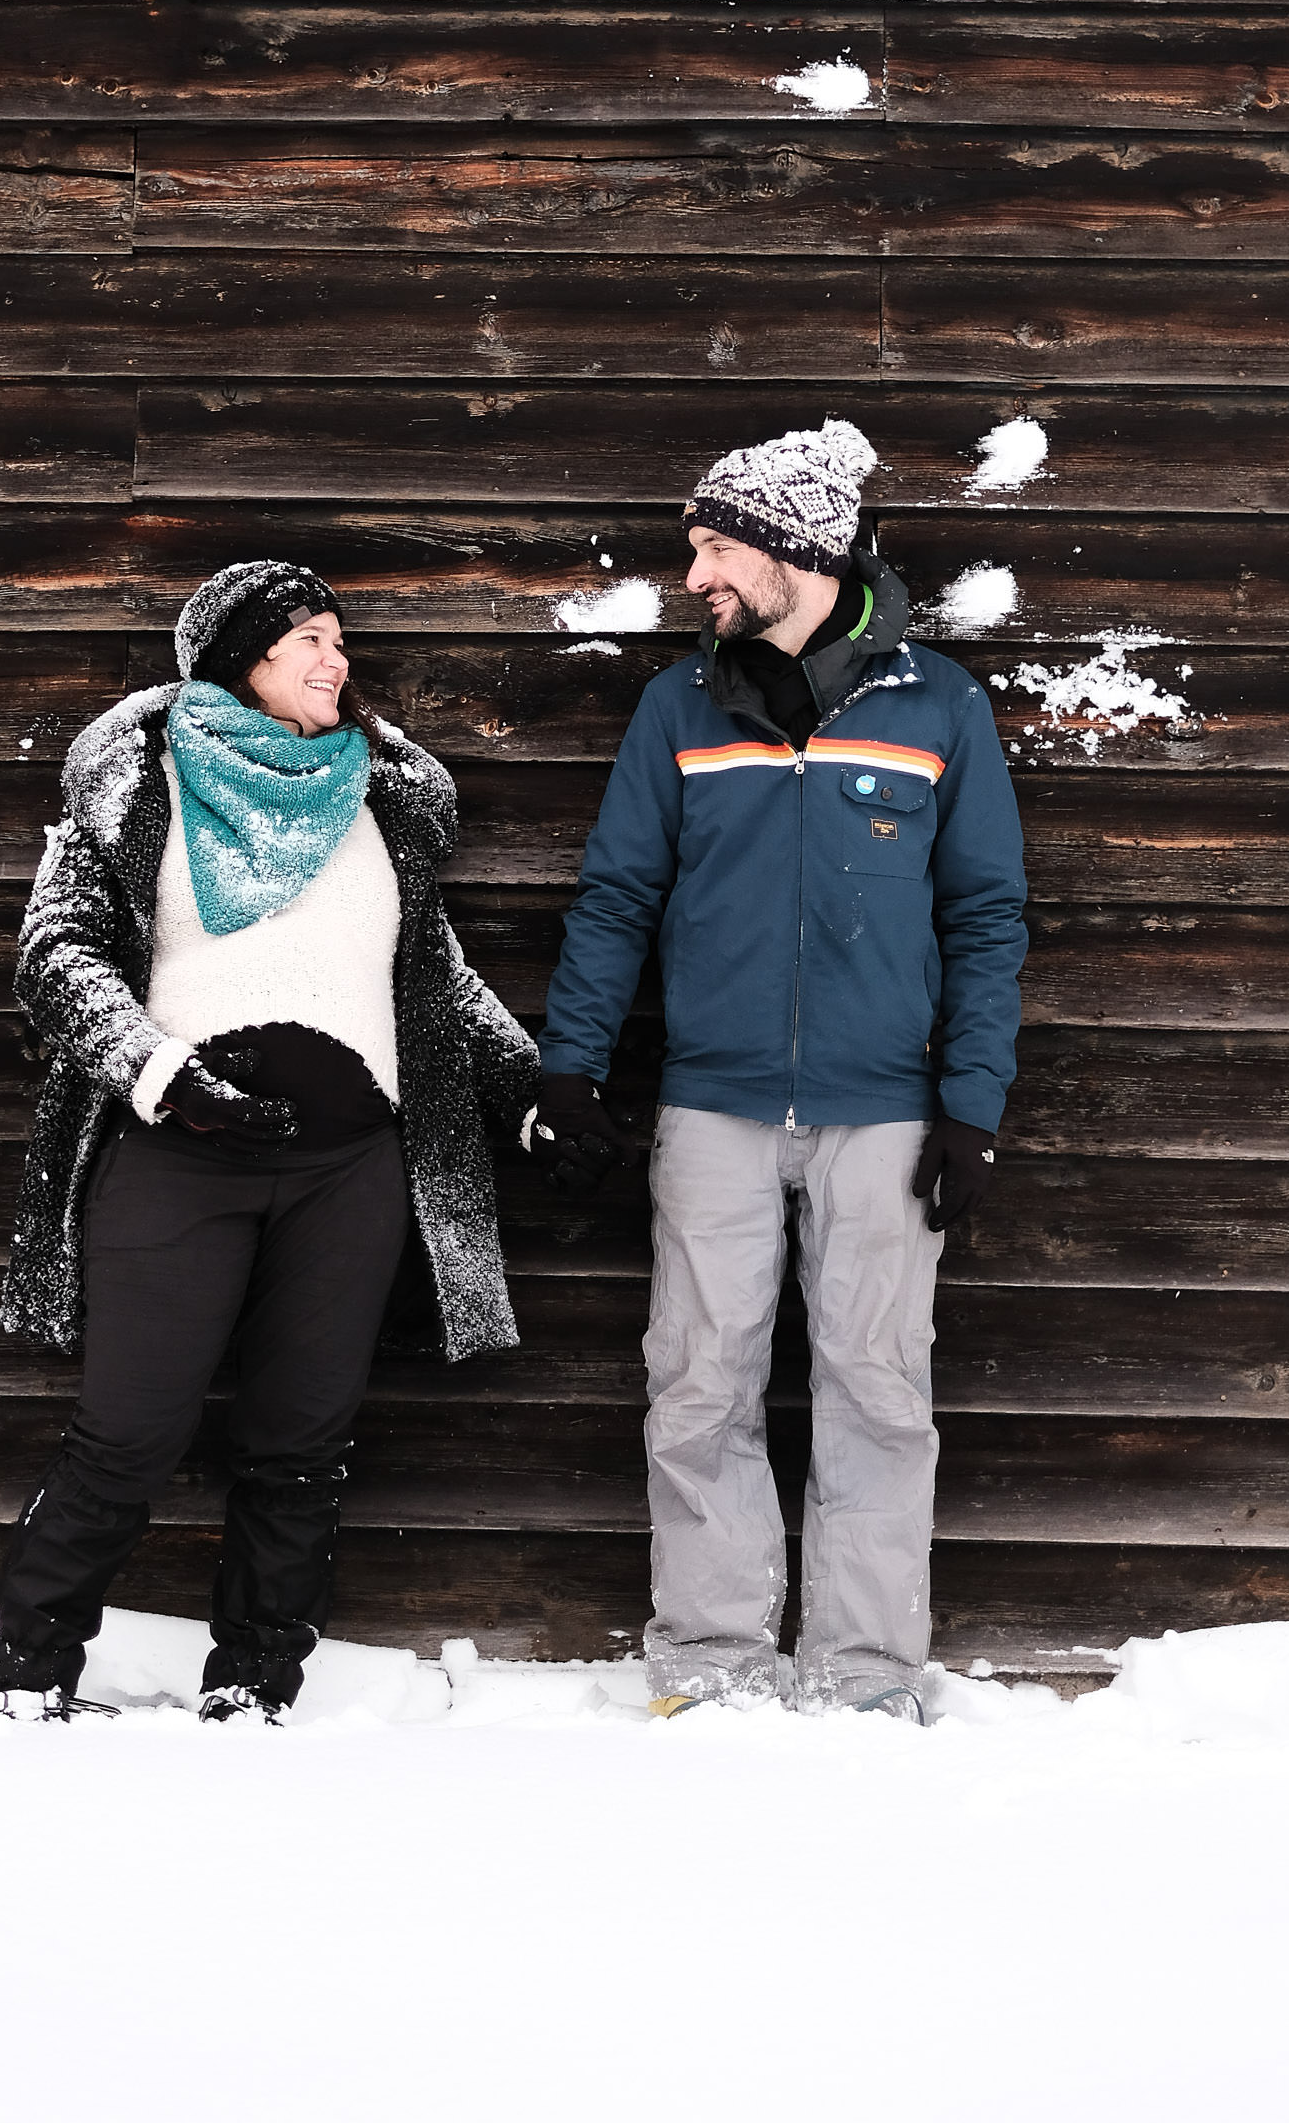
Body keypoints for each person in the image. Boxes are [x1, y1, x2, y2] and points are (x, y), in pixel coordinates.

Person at [525, 424, 1027, 1721]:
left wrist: (970, 1106)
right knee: (698, 1384)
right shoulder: (679, 709)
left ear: (797, 549)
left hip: (884, 1120)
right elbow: (616, 898)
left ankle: (863, 1676)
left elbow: (984, 917)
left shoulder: (938, 707)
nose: (696, 573)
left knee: (877, 1390)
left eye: (715, 545)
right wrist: (570, 1069)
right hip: (713, 1110)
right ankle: (712, 1663)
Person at [0, 559, 537, 1721]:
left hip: (347, 1172)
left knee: (301, 1443)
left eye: (342, 640)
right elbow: (56, 956)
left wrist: (533, 1089)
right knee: (129, 1433)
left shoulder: (379, 796)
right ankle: (28, 1674)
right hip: (181, 1160)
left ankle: (256, 1684)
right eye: (312, 640)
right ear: (244, 656)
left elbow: (428, 974)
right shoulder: (138, 785)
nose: (338, 659)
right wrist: (164, 1077)